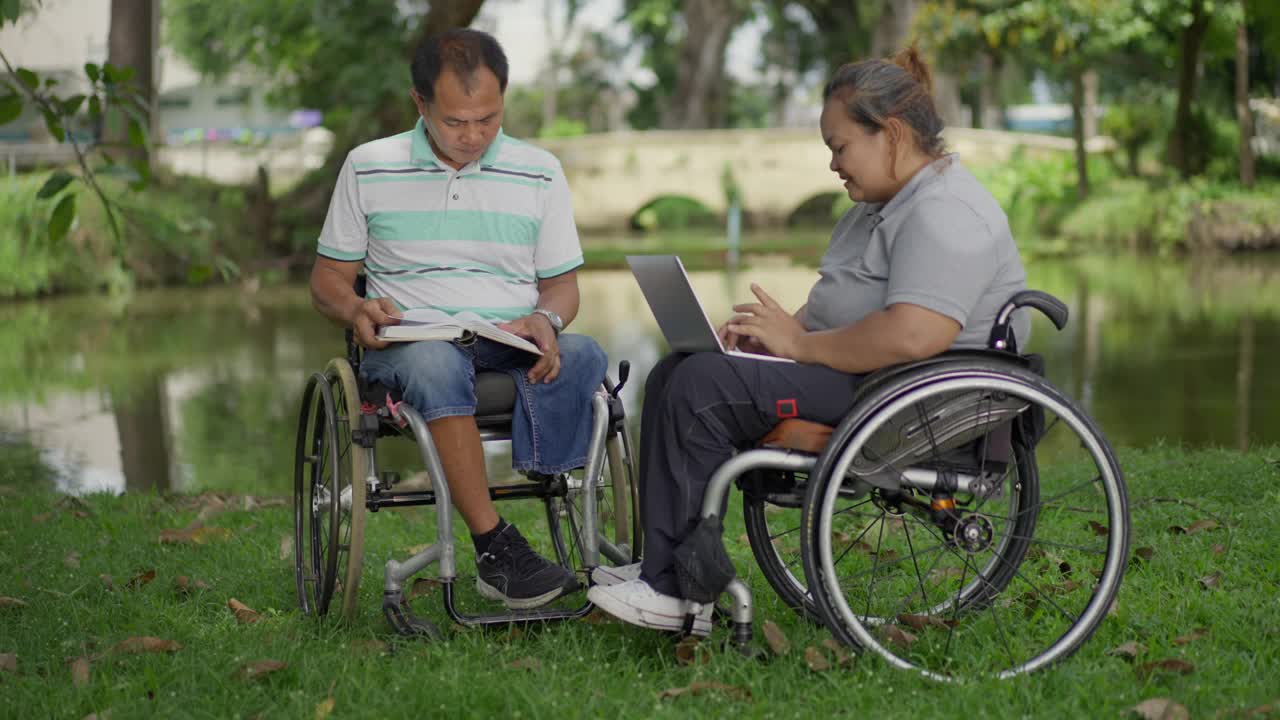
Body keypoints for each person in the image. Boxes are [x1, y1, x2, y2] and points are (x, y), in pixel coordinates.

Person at [587, 47, 1030, 635]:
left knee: (701, 388)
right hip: (859, 377)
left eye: (839, 147)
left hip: (905, 396)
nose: (832, 166)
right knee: (680, 369)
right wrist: (766, 342)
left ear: (891, 135)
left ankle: (678, 593)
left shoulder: (945, 211)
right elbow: (835, 308)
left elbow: (915, 333)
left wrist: (798, 347)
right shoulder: (878, 207)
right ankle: (665, 565)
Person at [310, 28, 606, 610]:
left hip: (507, 336)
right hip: (414, 339)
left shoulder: (539, 171)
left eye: (488, 119)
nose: (473, 136)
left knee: (586, 353)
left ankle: (546, 472)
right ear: (420, 104)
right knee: (439, 364)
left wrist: (547, 317)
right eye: (454, 122)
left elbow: (563, 287)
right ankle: (494, 545)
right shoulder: (369, 167)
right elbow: (327, 281)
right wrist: (354, 308)